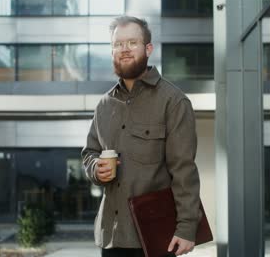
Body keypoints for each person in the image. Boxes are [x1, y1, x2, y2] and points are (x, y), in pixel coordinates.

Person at [82, 16, 201, 257]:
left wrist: (188, 228)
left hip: (156, 236)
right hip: (112, 237)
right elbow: (89, 153)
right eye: (118, 44)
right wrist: (95, 168)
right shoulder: (104, 105)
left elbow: (183, 170)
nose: (124, 50)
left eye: (132, 42)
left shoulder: (173, 101)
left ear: (148, 49)